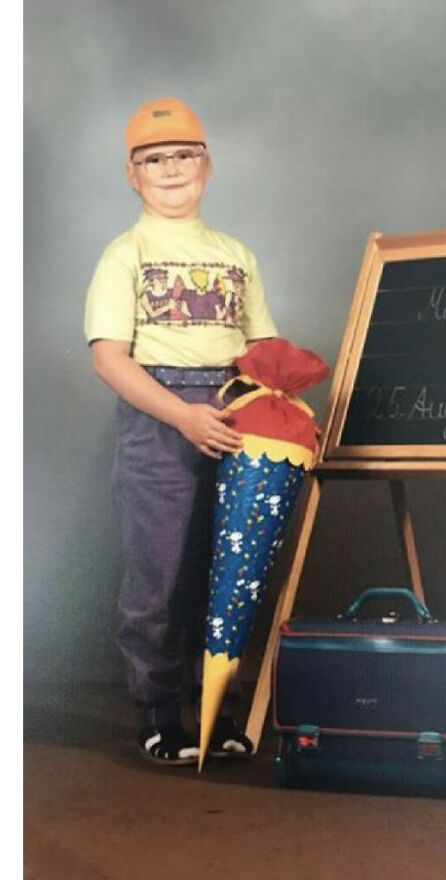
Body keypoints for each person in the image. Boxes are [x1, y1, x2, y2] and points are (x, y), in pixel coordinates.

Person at [84, 97, 278, 765]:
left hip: (231, 416)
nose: (170, 168)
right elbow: (110, 356)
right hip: (159, 421)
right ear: (131, 176)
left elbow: (263, 349)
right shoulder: (126, 253)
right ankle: (162, 713)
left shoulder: (235, 255)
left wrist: (276, 399)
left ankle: (215, 709)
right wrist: (180, 414)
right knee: (159, 577)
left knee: (225, 574)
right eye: (153, 159)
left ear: (208, 164)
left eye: (183, 155)